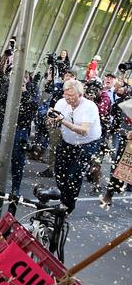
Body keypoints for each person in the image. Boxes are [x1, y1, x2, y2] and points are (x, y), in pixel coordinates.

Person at [49, 79, 101, 213]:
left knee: (74, 175)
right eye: (66, 94)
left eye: (71, 96)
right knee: (59, 172)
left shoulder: (89, 106)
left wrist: (63, 122)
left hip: (87, 143)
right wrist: (51, 119)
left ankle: (67, 206)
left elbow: (84, 131)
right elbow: (53, 119)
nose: (68, 98)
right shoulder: (61, 102)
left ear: (80, 95)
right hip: (67, 141)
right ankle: (64, 198)